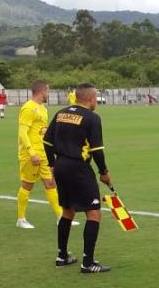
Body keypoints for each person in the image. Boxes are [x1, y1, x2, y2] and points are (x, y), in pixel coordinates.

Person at [44, 83, 113, 273]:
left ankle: (62, 256)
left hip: (60, 166)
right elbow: (97, 150)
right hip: (79, 168)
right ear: (91, 98)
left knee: (67, 211)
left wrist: (51, 165)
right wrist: (104, 172)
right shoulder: (92, 118)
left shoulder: (60, 113)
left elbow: (47, 142)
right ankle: (88, 262)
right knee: (94, 212)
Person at [15, 81, 71, 229]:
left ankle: (60, 217)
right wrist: (31, 153)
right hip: (30, 155)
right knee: (27, 184)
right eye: (48, 91)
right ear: (42, 91)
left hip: (44, 153)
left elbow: (43, 132)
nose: (49, 94)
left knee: (51, 183)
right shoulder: (28, 108)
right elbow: (22, 133)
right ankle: (21, 219)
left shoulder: (43, 109)